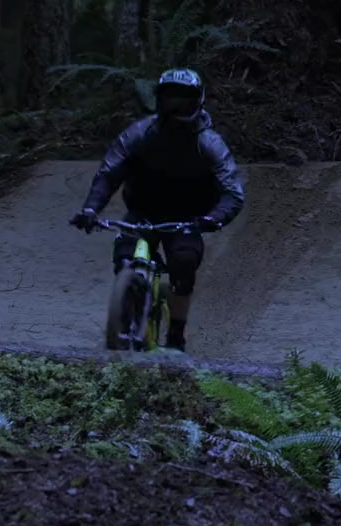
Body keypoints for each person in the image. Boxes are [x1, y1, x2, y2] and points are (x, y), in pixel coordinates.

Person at [68, 67, 245, 352]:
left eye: (184, 99)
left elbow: (233, 192)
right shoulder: (140, 133)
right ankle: (126, 309)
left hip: (188, 218)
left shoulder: (209, 142)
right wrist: (90, 210)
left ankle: (176, 335)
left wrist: (212, 219)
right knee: (124, 256)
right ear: (159, 100)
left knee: (183, 263)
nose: (176, 107)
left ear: (198, 101)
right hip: (142, 212)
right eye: (170, 98)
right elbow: (109, 172)